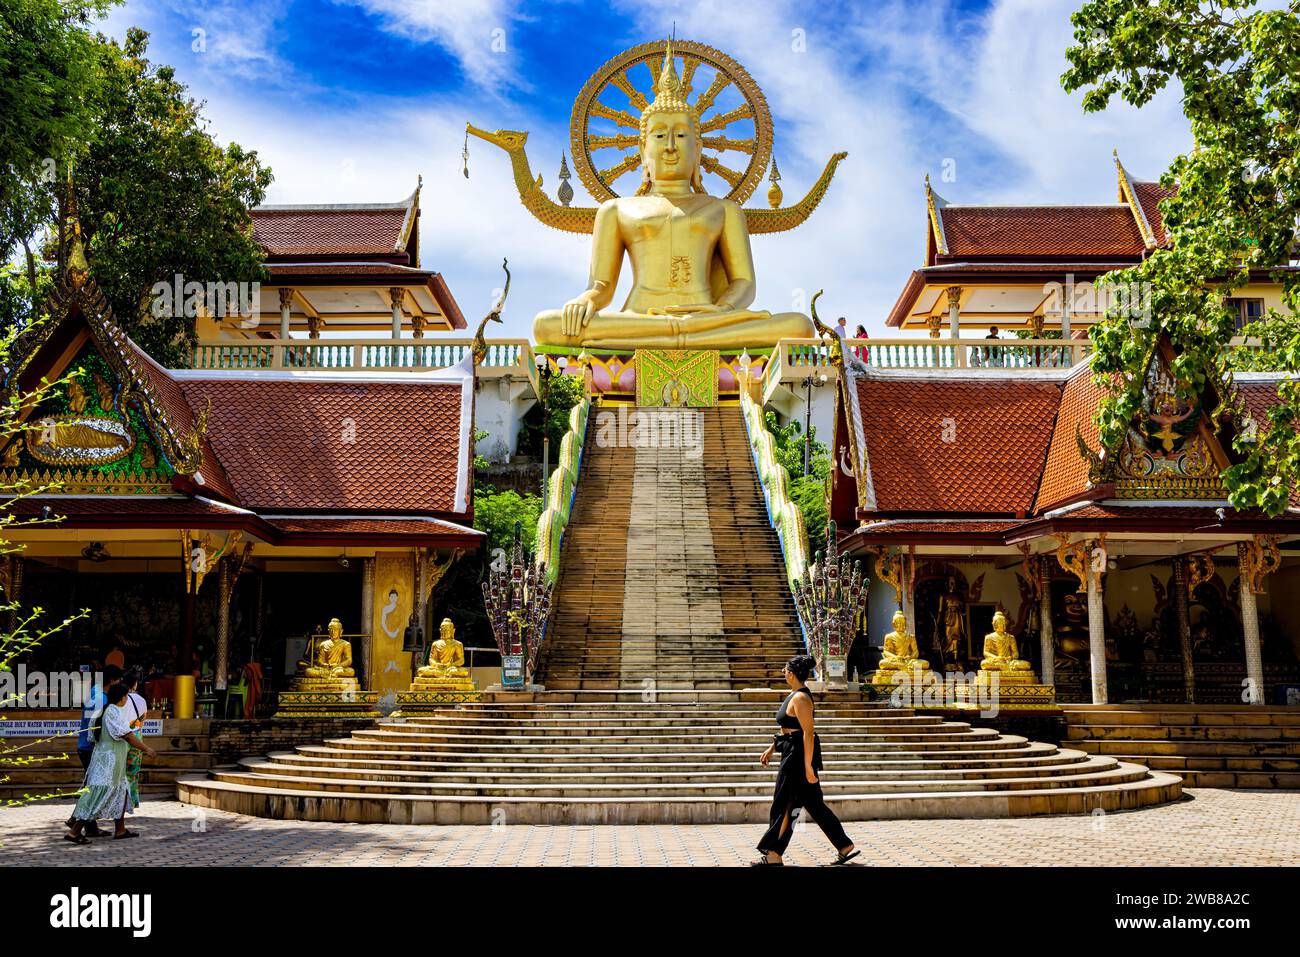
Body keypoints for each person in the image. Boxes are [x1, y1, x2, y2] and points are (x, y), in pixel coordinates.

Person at [752, 655, 859, 866]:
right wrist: (772, 747)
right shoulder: (793, 695)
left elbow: (808, 733)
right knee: (813, 805)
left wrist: (808, 766)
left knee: (784, 804)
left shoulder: (801, 698)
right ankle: (844, 845)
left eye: (784, 669)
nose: (783, 672)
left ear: (791, 674)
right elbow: (788, 729)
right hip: (791, 751)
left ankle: (774, 853)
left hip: (798, 758)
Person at [65, 682, 155, 844]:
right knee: (98, 795)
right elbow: (127, 734)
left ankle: (120, 830)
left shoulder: (103, 711)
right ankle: (74, 832)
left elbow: (93, 737)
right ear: (122, 698)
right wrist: (146, 748)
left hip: (107, 760)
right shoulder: (113, 711)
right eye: (127, 696)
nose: (127, 698)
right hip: (110, 763)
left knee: (121, 792)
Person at [65, 663, 121, 837]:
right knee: (95, 786)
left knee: (91, 784)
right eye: (118, 679)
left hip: (86, 746)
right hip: (91, 747)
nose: (120, 683)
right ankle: (76, 821)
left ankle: (88, 826)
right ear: (112, 680)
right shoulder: (101, 699)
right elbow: (96, 726)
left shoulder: (95, 693)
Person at [122, 669, 150, 812]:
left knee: (119, 772)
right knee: (132, 772)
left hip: (121, 737)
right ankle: (132, 801)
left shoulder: (119, 698)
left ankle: (119, 803)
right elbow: (141, 721)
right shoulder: (142, 700)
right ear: (135, 684)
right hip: (136, 736)